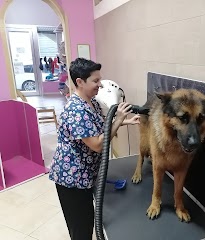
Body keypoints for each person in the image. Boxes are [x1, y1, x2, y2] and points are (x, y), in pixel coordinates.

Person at [48, 58, 140, 240]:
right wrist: (119, 119)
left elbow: (100, 126)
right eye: (96, 81)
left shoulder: (92, 102)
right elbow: (98, 145)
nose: (100, 85)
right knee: (81, 229)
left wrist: (124, 121)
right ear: (80, 82)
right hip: (72, 180)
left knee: (88, 220)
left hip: (86, 176)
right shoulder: (76, 110)